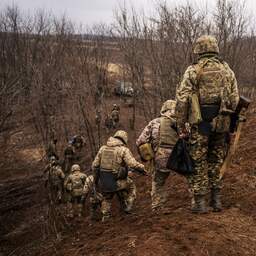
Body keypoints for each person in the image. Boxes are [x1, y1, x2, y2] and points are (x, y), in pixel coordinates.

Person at [175, 35, 239, 213]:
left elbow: (182, 100)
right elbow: (234, 100)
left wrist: (180, 125)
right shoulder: (228, 71)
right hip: (222, 124)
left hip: (200, 123)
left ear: (199, 51)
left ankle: (200, 203)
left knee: (199, 161)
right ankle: (216, 200)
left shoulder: (193, 71)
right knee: (216, 159)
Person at [92, 130, 145, 222]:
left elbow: (94, 166)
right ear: (124, 139)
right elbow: (132, 164)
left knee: (107, 198)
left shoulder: (102, 149)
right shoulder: (123, 150)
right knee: (131, 186)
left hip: (104, 182)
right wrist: (142, 168)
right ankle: (128, 204)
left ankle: (105, 216)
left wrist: (96, 181)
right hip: (117, 182)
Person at [136, 100, 179, 212]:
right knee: (191, 178)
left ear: (163, 110)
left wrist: (148, 155)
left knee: (158, 182)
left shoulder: (155, 122)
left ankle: (158, 207)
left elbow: (141, 141)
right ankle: (197, 201)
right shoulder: (181, 122)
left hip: (161, 158)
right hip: (179, 159)